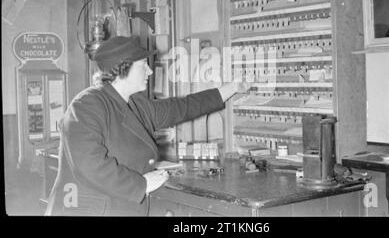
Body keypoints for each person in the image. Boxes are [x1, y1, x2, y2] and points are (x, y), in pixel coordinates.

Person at [45, 36, 249, 216]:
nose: (150, 71)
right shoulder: (86, 105)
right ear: (123, 67)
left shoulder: (135, 103)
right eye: (144, 64)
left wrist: (232, 88)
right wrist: (141, 184)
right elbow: (91, 165)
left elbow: (183, 107)